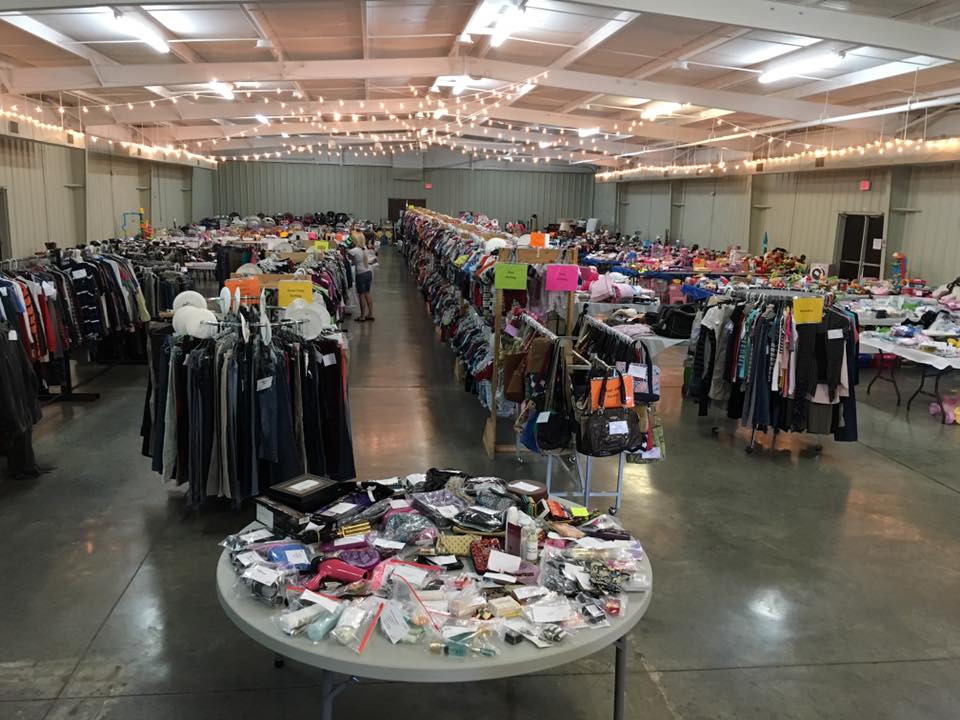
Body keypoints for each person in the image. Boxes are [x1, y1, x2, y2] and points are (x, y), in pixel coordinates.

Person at [347, 235, 375, 321]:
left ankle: (362, 316)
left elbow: (349, 257)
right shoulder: (365, 248)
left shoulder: (354, 250)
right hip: (368, 272)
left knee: (361, 295)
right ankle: (370, 314)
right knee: (367, 293)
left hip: (361, 274)